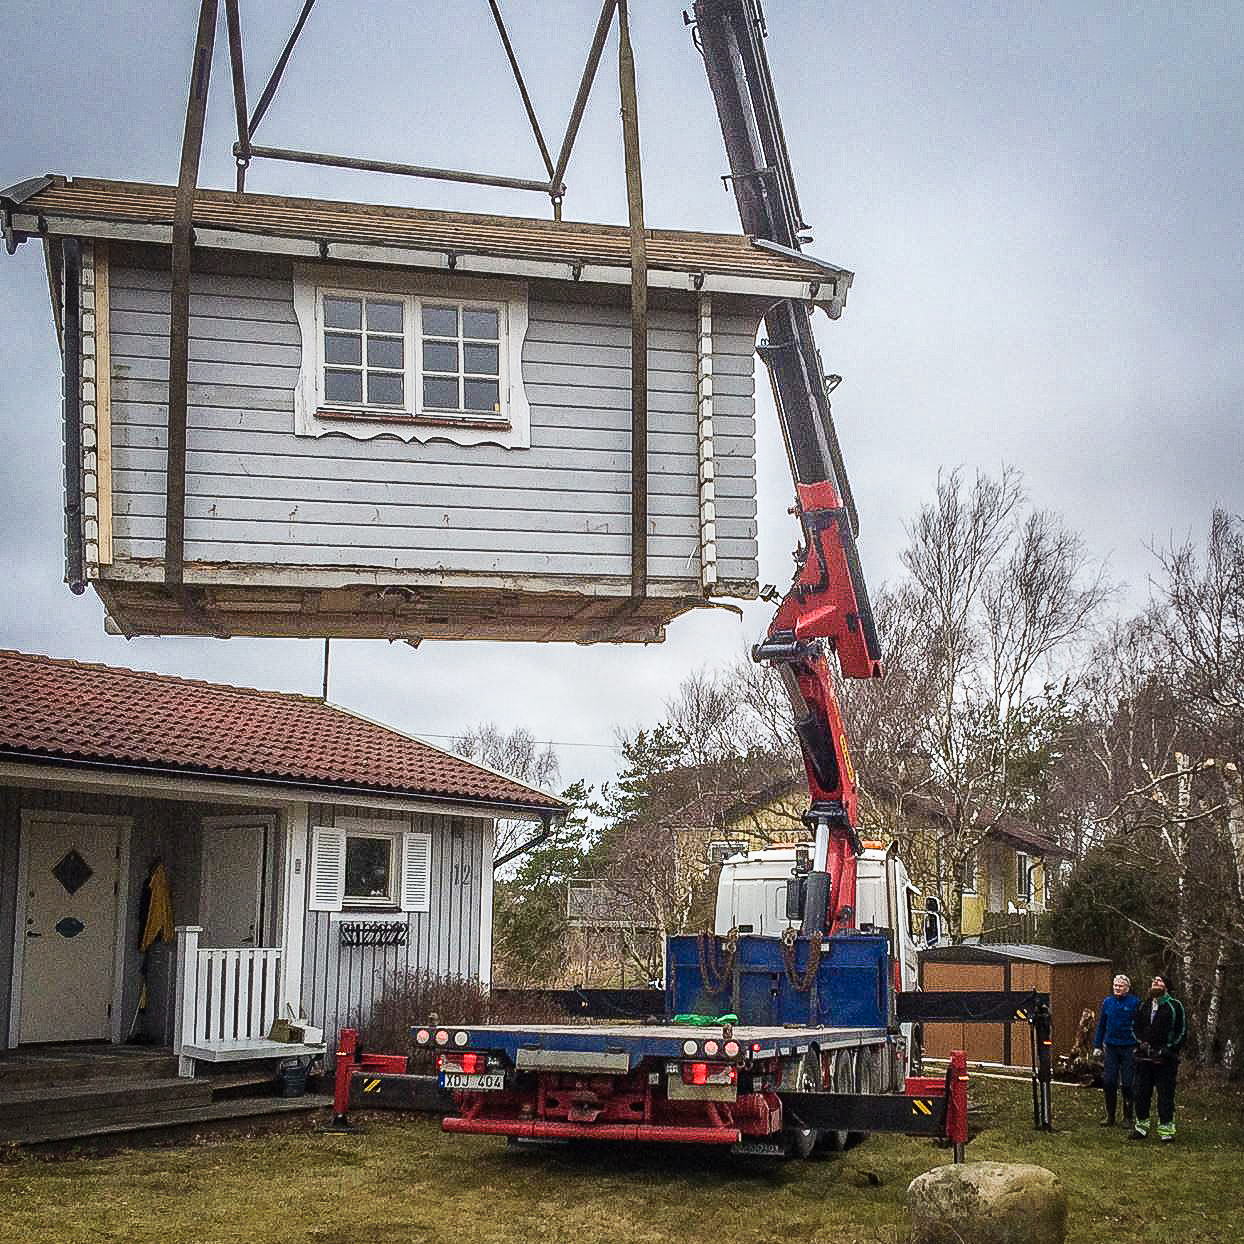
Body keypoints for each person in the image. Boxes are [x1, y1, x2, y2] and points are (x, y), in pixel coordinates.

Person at [1129, 970, 1187, 1143]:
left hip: (1165, 1060)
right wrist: (1140, 1043)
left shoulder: (1175, 1006)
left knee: (1165, 1096)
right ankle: (1141, 1127)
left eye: (1159, 981)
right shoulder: (1144, 1005)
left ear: (1166, 987)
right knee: (1141, 1094)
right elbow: (1134, 1027)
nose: (1155, 982)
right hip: (1144, 1059)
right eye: (1154, 980)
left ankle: (1166, 1130)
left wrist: (1168, 1049)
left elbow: (1182, 1031)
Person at [1092, 973, 1139, 1126]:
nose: (1117, 988)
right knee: (1109, 1082)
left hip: (1128, 1047)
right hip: (1111, 1047)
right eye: (1115, 985)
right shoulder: (1108, 1002)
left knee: (1127, 1083)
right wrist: (1097, 1045)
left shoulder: (1135, 1003)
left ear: (1127, 988)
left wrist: (1139, 1045)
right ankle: (1110, 1116)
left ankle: (1128, 1116)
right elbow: (1101, 1025)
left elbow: (1140, 1025)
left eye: (1120, 986)